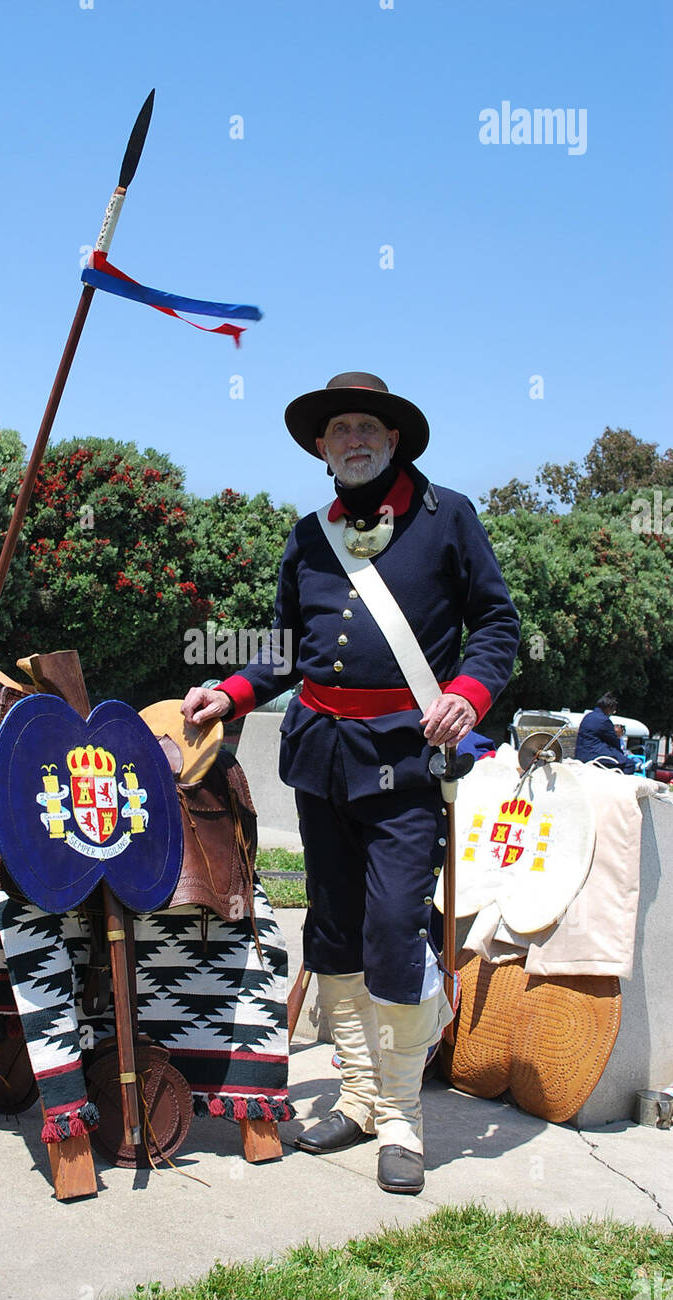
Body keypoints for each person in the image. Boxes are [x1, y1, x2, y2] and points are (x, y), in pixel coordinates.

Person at [181, 372, 520, 1194]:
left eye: (368, 426)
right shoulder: (308, 536)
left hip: (406, 758)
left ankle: (402, 1116)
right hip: (323, 754)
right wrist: (225, 693)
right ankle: (361, 1096)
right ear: (322, 447)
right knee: (331, 931)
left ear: (394, 439)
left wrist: (466, 696)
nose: (355, 439)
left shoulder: (450, 520)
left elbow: (498, 626)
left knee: (397, 928)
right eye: (340, 430)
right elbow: (288, 648)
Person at [574, 694, 635, 774]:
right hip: (593, 756)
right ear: (608, 708)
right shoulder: (604, 721)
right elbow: (614, 742)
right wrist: (621, 754)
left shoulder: (588, 716)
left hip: (580, 754)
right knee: (629, 764)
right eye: (613, 709)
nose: (614, 712)